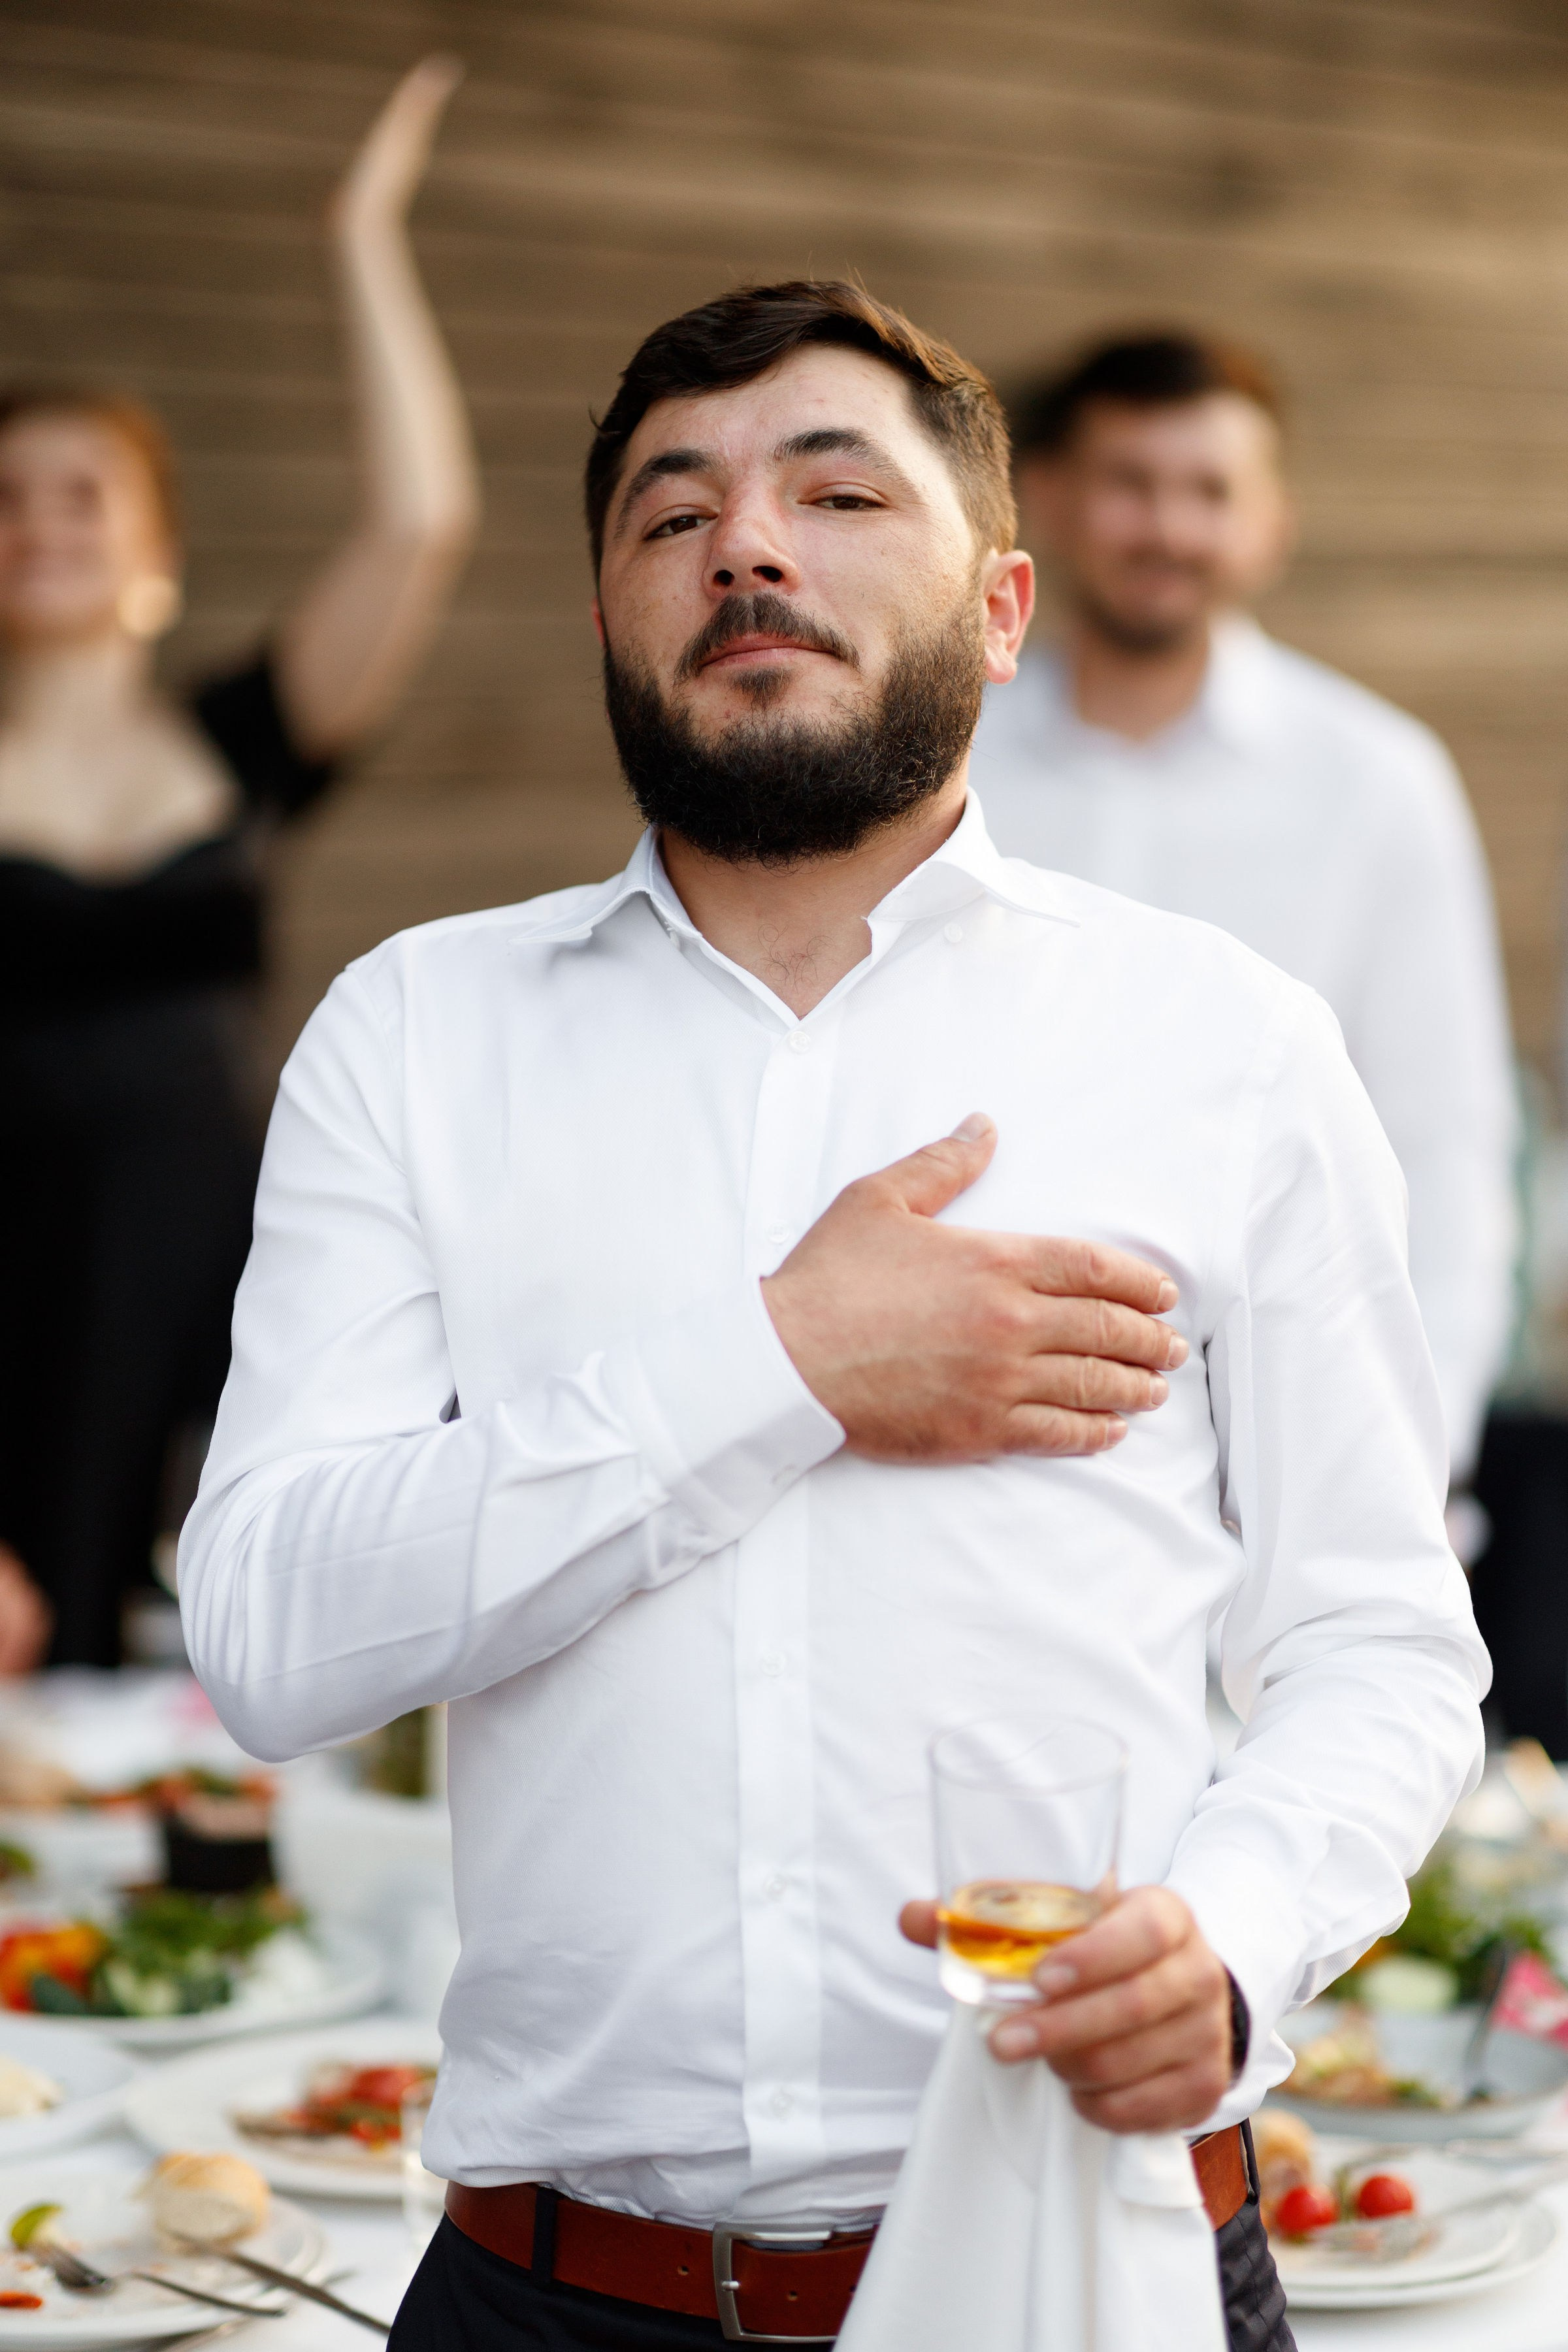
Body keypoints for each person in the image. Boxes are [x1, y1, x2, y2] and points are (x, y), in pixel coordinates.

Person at [178, 282, 1486, 2352]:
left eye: (838, 493)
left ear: (1002, 608)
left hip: (1083, 2269)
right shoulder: (415, 1036)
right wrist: (782, 1366)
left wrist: (1234, 1942)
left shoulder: (1223, 1043)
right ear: (610, 618)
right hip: (558, 2296)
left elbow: (1381, 1645)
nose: (748, 548)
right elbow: (265, 1631)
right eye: (668, 515)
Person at [0, 58, 480, 1668]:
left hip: (205, 1278)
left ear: (159, 551)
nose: (41, 522)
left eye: (85, 494)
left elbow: (419, 526)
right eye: (6, 497)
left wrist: (361, 231)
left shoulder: (237, 741)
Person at [968, 331, 1516, 1497]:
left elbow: (1445, 1138)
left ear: (1272, 524)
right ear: (1048, 501)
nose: (1167, 527)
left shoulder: (1375, 780)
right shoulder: (949, 759)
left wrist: (1420, 1453)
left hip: (1281, 1431)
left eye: (1209, 491)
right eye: (1130, 484)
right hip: (984, 1422)